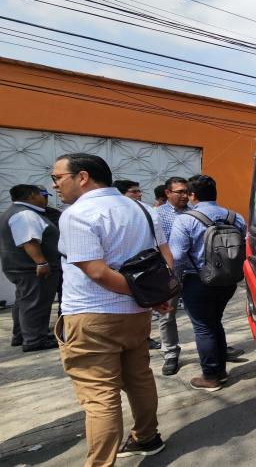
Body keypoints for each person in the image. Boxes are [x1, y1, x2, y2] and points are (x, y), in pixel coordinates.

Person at [52, 153, 170, 464]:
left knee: (100, 395)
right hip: (135, 314)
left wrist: (147, 296)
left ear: (82, 177)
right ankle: (148, 437)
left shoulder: (77, 214)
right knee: (140, 378)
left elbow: (97, 272)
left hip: (92, 315)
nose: (55, 186)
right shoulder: (142, 210)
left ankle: (100, 462)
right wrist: (153, 297)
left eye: (58, 178)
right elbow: (163, 257)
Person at [169, 174, 245, 392]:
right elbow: (247, 246)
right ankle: (220, 369)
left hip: (198, 280)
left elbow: (178, 256)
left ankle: (211, 376)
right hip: (229, 280)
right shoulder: (235, 217)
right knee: (214, 322)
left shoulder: (186, 219)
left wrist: (174, 283)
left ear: (193, 195)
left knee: (203, 327)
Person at [0, 184, 61, 351]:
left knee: (25, 301)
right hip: (32, 268)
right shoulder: (26, 214)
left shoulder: (14, 212)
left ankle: (23, 335)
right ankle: (34, 339)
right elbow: (29, 240)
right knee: (36, 303)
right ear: (33, 195)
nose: (46, 198)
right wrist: (41, 262)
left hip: (22, 267)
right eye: (43, 195)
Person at [114, 179, 161, 350]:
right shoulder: (112, 215)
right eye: (134, 191)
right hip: (120, 273)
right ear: (120, 194)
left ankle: (144, 338)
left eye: (139, 191)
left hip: (145, 269)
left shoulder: (146, 211)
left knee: (143, 309)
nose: (139, 194)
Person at [153, 177, 190, 376]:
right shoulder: (156, 215)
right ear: (167, 193)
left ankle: (213, 347)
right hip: (168, 274)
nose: (185, 195)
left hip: (194, 273)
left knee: (202, 313)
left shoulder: (194, 213)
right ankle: (170, 353)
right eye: (180, 192)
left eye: (186, 191)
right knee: (167, 315)